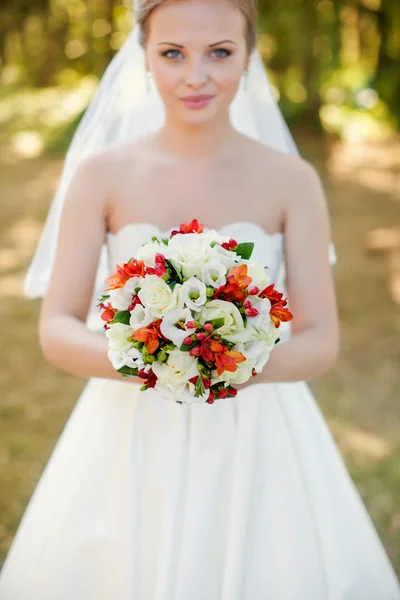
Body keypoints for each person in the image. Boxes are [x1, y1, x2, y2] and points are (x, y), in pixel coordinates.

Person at [1, 0, 399, 598]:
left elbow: (320, 340)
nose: (195, 76)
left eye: (219, 52)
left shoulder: (292, 180)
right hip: (130, 423)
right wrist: (158, 360)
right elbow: (57, 326)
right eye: (172, 54)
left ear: (249, 56)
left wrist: (227, 363)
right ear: (144, 57)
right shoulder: (100, 176)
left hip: (259, 429)